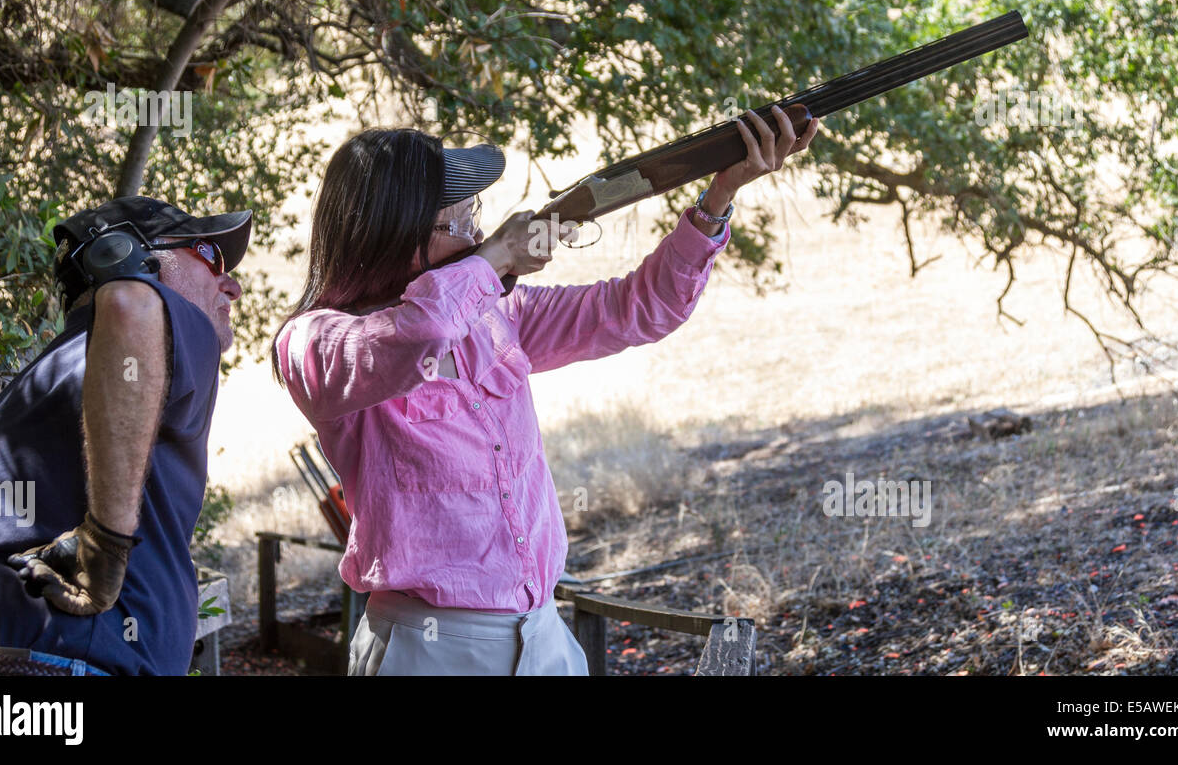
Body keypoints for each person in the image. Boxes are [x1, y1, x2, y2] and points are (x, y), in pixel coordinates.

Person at [272, 105, 818, 675]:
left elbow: (640, 309)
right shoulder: (314, 342)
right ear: (396, 235)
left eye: (476, 218)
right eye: (459, 223)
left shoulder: (497, 313)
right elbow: (421, 332)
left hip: (542, 635)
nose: (478, 234)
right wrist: (499, 257)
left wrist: (717, 200)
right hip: (428, 647)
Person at [0, 196, 251, 676]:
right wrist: (104, 544)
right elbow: (129, 303)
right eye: (208, 256)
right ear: (124, 257)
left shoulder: (42, 382)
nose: (233, 284)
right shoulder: (168, 321)